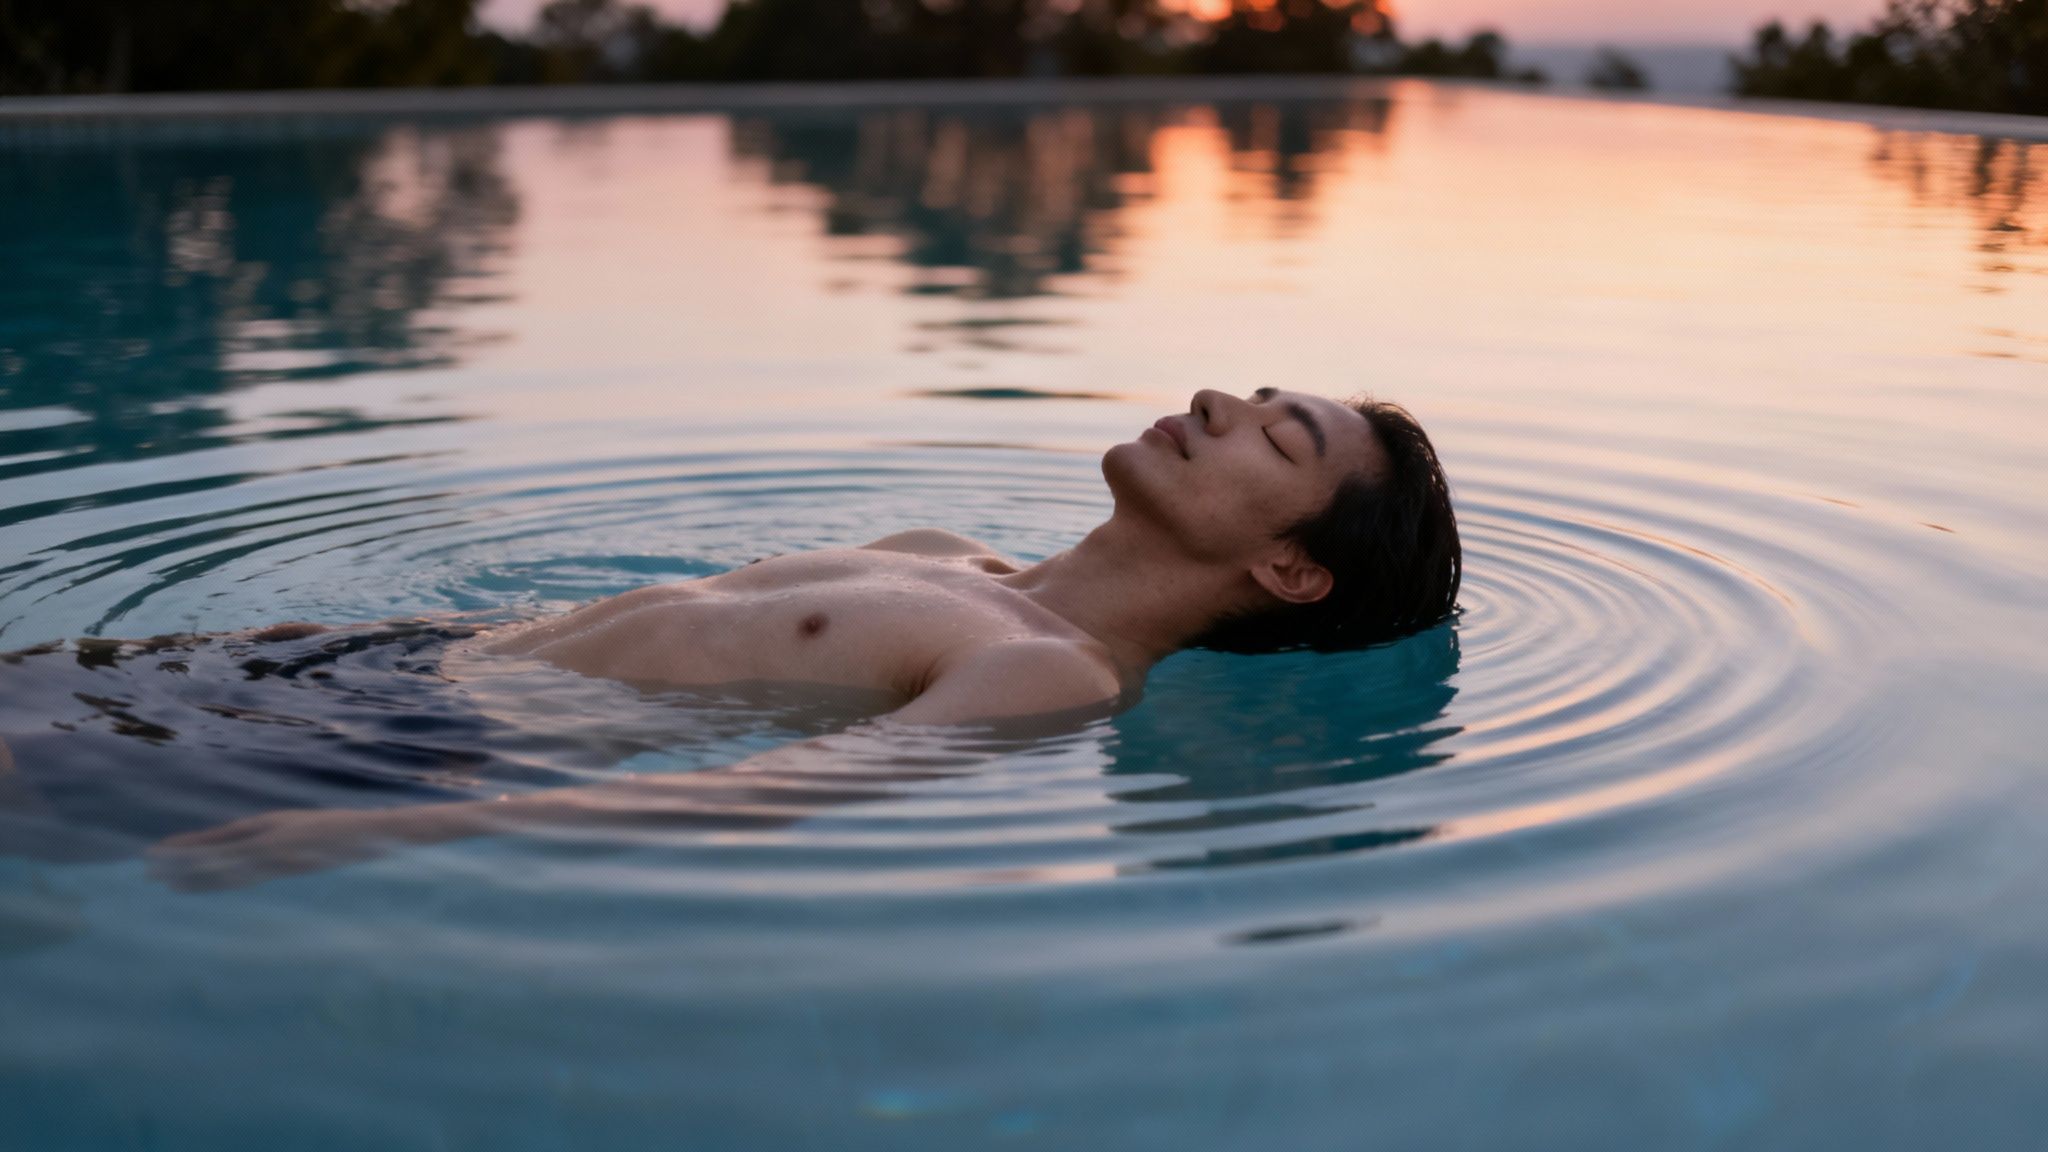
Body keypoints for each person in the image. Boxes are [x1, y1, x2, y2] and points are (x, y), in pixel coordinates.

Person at [131, 387, 1460, 888]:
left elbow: (752, 798)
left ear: (1291, 567)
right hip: (365, 671)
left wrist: (373, 830)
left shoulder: (1052, 673)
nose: (1219, 397)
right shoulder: (942, 556)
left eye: (1278, 437)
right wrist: (336, 640)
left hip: (405, 750)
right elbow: (638, 620)